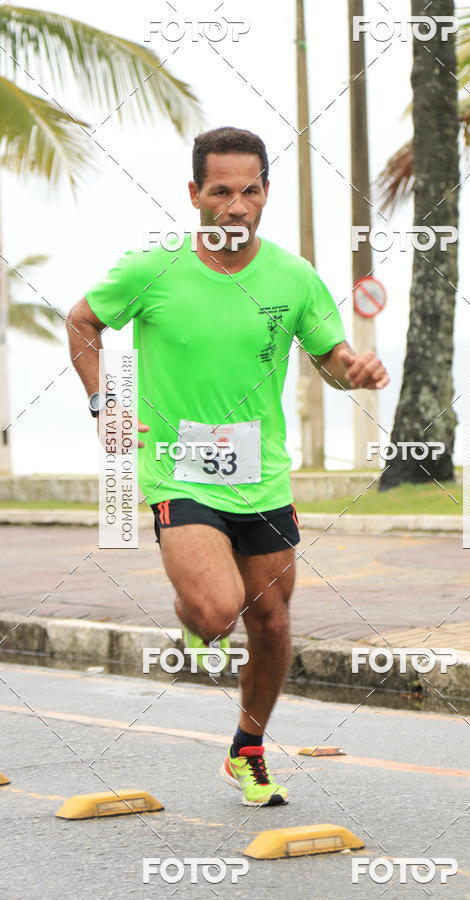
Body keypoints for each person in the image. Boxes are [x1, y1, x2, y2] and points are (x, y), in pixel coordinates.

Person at [67, 126, 389, 807]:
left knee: (271, 620)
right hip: (177, 468)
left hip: (262, 474)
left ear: (266, 192)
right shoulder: (153, 268)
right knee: (217, 613)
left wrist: (352, 372)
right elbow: (81, 322)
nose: (235, 207)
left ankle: (248, 748)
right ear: (194, 194)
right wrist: (105, 403)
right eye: (220, 192)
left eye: (249, 191)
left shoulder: (294, 277)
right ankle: (197, 621)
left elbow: (330, 359)